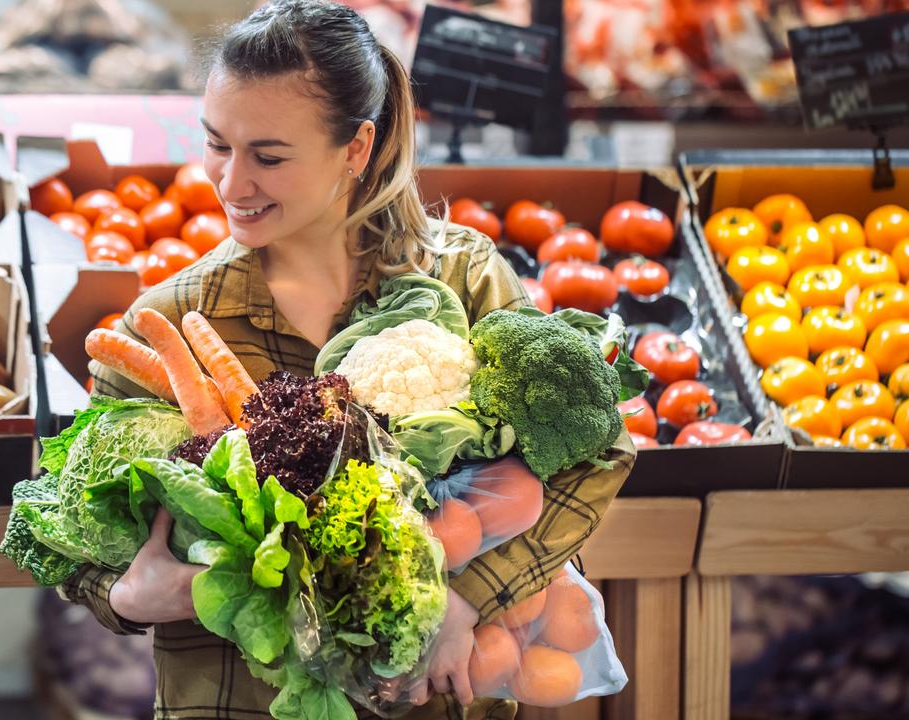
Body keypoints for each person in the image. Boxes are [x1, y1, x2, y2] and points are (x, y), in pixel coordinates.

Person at [59, 1, 637, 717]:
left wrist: (466, 600)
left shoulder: (463, 279)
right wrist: (128, 594)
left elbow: (596, 452)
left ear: (357, 148)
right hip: (241, 701)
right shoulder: (169, 320)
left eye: (268, 157)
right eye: (216, 145)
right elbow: (76, 543)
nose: (231, 184)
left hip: (435, 698)